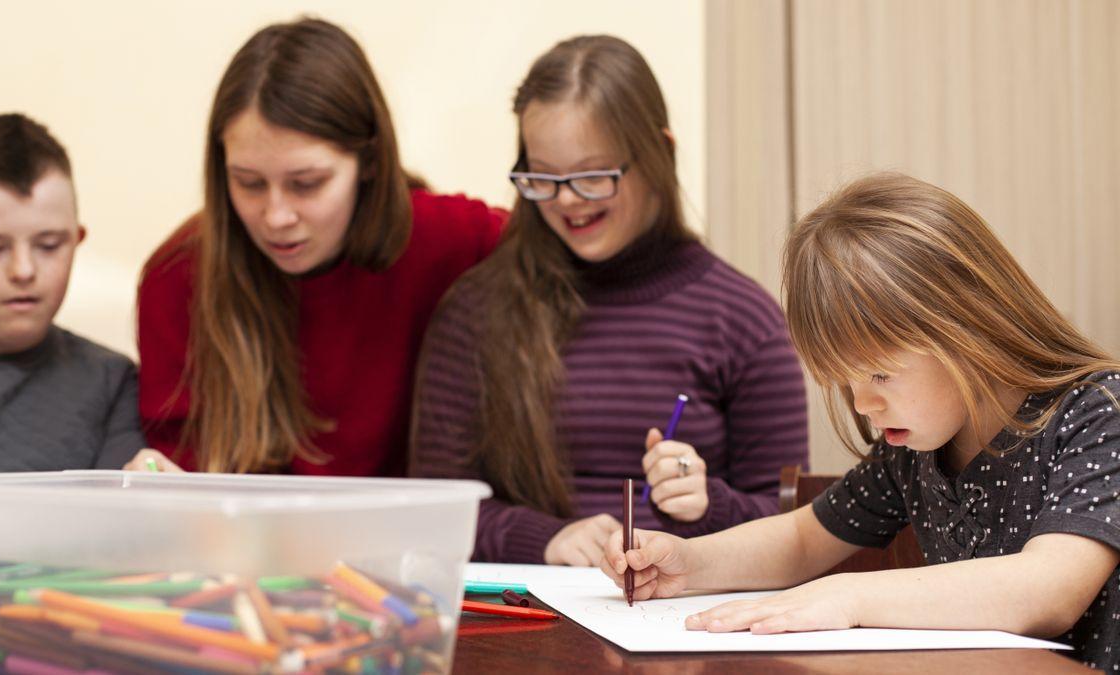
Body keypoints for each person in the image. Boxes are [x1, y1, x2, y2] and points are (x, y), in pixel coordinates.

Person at [600, 173, 1120, 670]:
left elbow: (1050, 589)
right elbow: (805, 540)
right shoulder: (914, 449)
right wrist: (688, 563)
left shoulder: (1100, 412)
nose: (863, 405)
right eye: (844, 381)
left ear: (968, 329)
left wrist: (847, 595)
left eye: (879, 374)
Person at [410, 35, 808, 565]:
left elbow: (793, 535)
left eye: (593, 176)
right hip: (524, 617)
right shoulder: (476, 311)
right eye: (544, 178)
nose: (568, 200)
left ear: (659, 155)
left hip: (681, 621)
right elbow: (435, 512)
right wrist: (545, 539)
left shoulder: (743, 320)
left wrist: (711, 506)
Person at [133, 18, 503, 475]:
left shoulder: (446, 236)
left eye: (306, 184)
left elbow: (569, 252)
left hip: (411, 540)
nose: (276, 217)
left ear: (369, 162)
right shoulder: (178, 274)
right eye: (248, 183)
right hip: (246, 544)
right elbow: (179, 468)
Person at [0, 113, 146, 472]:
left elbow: (122, 513)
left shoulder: (111, 382)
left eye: (49, 245)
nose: (24, 271)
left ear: (76, 240)